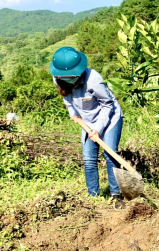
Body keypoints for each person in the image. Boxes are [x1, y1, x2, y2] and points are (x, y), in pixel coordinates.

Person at [50, 47, 125, 209]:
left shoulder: (93, 80)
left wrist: (98, 128)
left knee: (110, 153)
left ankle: (116, 195)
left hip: (110, 117)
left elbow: (108, 105)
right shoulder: (57, 78)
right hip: (87, 120)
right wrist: (73, 113)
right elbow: (67, 99)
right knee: (89, 159)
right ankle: (93, 197)